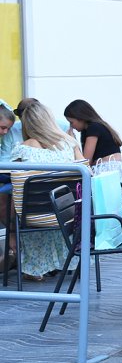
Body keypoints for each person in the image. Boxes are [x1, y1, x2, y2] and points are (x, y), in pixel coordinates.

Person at [10, 101, 84, 281]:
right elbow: (86, 171)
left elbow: (17, 184)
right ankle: (66, 261)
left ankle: (33, 267)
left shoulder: (22, 149)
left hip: (35, 216)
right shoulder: (69, 144)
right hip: (68, 214)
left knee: (17, 202)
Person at [63, 99, 122, 165]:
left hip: (107, 169)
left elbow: (86, 163)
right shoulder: (89, 129)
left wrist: (73, 142)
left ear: (80, 118)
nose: (71, 126)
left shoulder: (93, 128)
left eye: (71, 122)